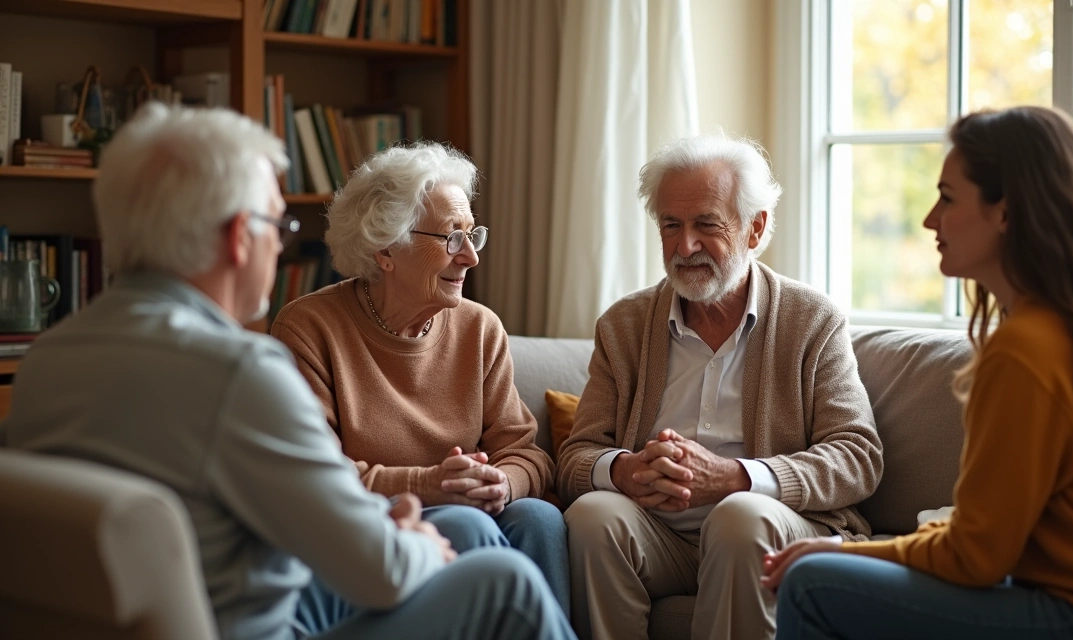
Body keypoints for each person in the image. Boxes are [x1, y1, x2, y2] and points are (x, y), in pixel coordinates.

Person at [0, 103, 573, 640]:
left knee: (479, 531)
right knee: (508, 583)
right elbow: (380, 569)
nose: (280, 247)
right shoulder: (239, 373)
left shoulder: (47, 359)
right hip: (255, 626)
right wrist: (420, 538)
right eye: (277, 226)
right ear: (237, 238)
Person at [762, 106, 1073, 640]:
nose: (931, 219)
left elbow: (976, 556)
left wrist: (847, 550)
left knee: (813, 581)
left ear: (1006, 211)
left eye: (948, 198)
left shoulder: (1028, 350)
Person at [557, 134, 884, 639]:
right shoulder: (623, 325)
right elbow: (578, 454)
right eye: (671, 225)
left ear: (755, 229)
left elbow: (857, 457)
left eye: (706, 225)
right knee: (594, 515)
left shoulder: (812, 320)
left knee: (739, 517)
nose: (685, 246)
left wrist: (737, 477)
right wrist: (622, 470)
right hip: (661, 536)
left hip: (766, 526)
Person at [271, 143, 569, 615]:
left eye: (474, 235)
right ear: (386, 249)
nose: (470, 256)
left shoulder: (479, 329)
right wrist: (429, 485)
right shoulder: (309, 329)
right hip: (377, 522)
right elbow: (317, 477)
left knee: (540, 518)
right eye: (452, 238)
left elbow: (525, 452)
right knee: (466, 526)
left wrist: (501, 483)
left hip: (465, 504)